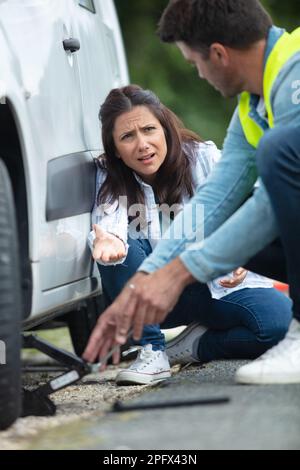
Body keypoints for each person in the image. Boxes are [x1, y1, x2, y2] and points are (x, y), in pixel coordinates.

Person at [85, 84, 292, 384]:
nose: (142, 144)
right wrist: (107, 241)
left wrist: (240, 256)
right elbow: (109, 225)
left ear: (165, 130)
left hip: (216, 286)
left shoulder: (203, 158)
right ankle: (152, 350)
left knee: (278, 328)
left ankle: (191, 346)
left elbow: (246, 213)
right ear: (115, 148)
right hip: (156, 296)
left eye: (148, 130)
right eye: (128, 137)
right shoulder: (109, 174)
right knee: (122, 241)